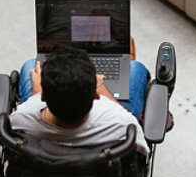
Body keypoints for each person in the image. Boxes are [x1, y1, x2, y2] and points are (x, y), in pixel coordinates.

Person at [9, 44, 150, 155]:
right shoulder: (122, 124)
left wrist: (36, 92)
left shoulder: (19, 120)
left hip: (44, 170)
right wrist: (100, 85)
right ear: (96, 96)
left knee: (30, 65)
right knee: (137, 68)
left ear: (43, 97)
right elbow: (142, 152)